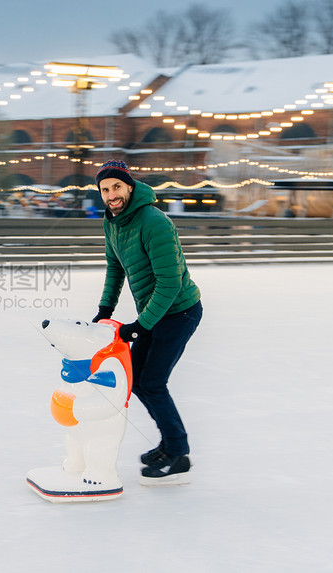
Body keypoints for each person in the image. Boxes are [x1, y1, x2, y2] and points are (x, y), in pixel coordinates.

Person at [91, 159, 202, 484]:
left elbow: (170, 282)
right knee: (138, 380)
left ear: (130, 187)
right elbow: (115, 267)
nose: (111, 195)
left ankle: (178, 454)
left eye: (116, 187)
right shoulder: (112, 222)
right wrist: (104, 310)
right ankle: (169, 445)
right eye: (105, 189)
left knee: (151, 382)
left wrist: (141, 325)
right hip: (156, 313)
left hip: (179, 311)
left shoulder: (155, 222)